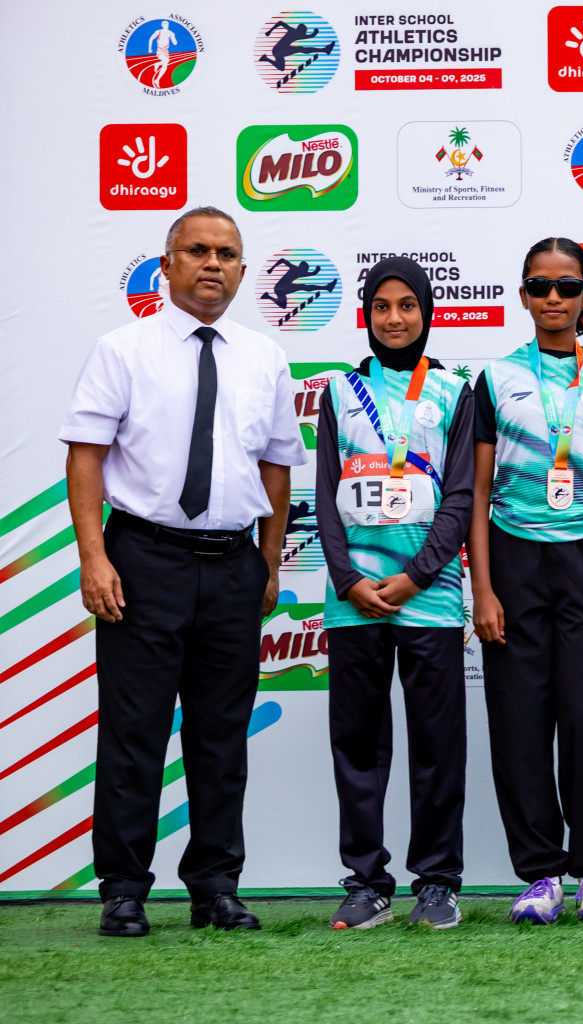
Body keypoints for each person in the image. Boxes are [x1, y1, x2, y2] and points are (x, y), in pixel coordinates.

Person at [60, 207, 306, 936]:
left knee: (221, 735)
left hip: (232, 566)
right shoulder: (122, 349)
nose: (212, 264)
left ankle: (215, 887)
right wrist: (94, 557)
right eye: (195, 251)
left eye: (226, 253)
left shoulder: (265, 358)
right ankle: (125, 889)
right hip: (143, 562)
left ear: (241, 268)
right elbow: (85, 456)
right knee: (134, 733)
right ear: (165, 266)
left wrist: (267, 562)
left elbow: (275, 465)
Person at [468, 238, 583, 924]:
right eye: (541, 287)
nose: (554, 300)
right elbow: (476, 494)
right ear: (524, 295)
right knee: (519, 722)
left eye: (567, 288)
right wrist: (482, 589)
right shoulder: (496, 378)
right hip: (514, 559)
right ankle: (540, 874)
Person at [314, 257, 474, 930]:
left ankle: (436, 882)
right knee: (358, 742)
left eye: (408, 304)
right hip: (353, 603)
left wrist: (416, 576)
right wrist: (349, 579)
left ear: (427, 310)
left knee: (437, 744)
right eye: (382, 306)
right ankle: (367, 880)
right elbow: (323, 496)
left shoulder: (454, 392)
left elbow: (461, 497)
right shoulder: (340, 392)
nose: (396, 318)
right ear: (367, 315)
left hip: (428, 598)